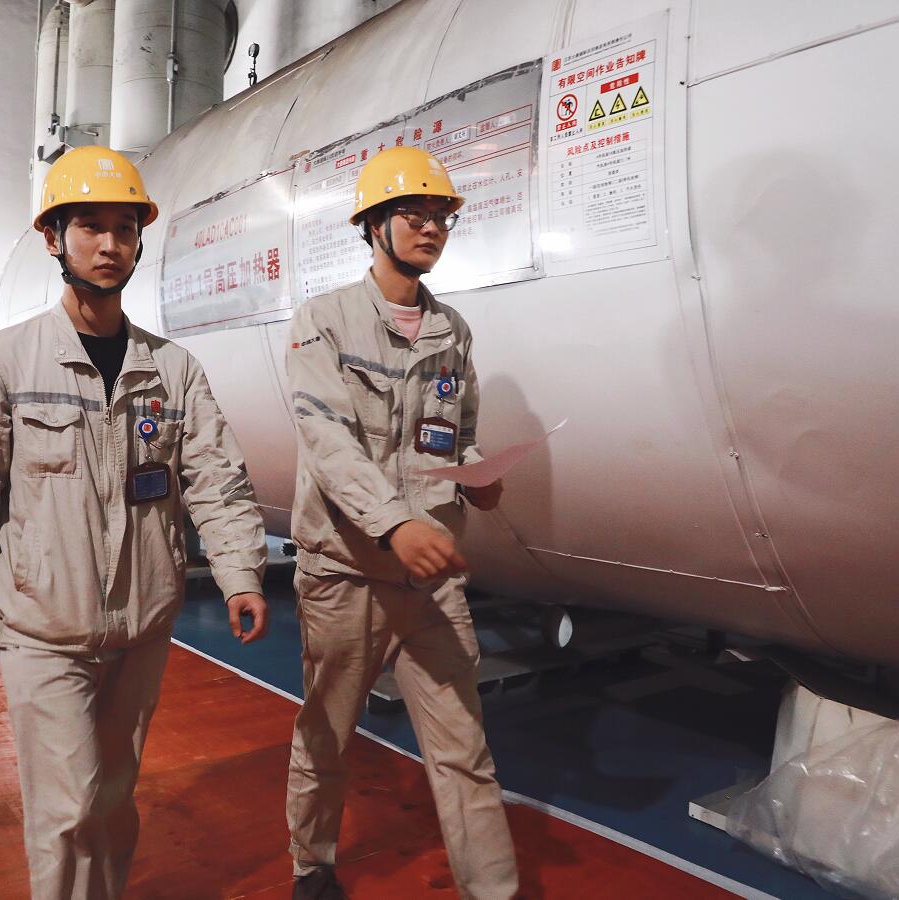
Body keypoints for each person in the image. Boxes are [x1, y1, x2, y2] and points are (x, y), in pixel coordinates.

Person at [0, 144, 270, 899]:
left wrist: (241, 572)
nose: (110, 244)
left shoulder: (172, 370)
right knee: (68, 811)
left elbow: (216, 479)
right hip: (44, 627)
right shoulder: (7, 362)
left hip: (141, 627)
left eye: (124, 228)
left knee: (112, 803)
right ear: (54, 237)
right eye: (90, 226)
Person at [284, 146, 518, 900]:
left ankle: (493, 890)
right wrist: (393, 525)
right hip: (348, 573)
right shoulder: (323, 322)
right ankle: (312, 866)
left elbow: (456, 432)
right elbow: (326, 440)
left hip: (430, 578)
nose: (431, 228)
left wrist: (476, 475)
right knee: (327, 735)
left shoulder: (452, 330)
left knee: (463, 748)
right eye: (413, 213)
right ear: (373, 225)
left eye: (441, 216)